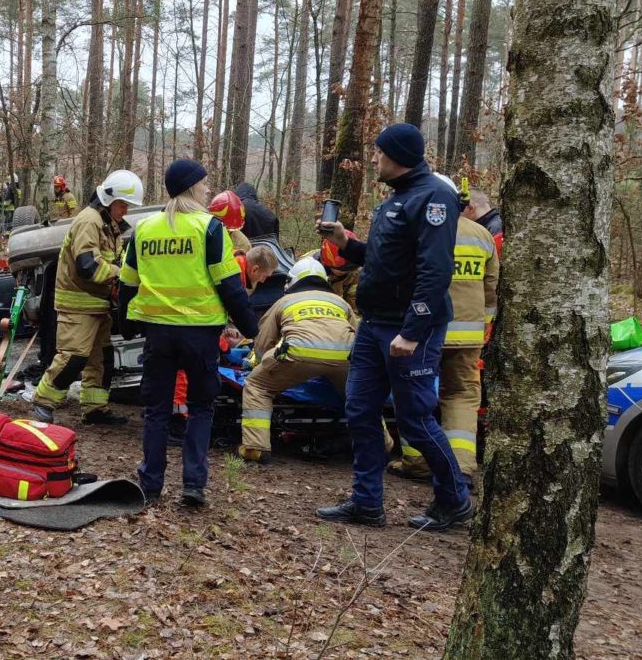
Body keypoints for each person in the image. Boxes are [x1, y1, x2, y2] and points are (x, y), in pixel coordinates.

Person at [313, 123, 474, 532]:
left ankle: (455, 500)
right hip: (373, 326)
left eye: (379, 153)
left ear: (397, 155)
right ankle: (367, 502)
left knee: (416, 420)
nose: (374, 159)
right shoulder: (394, 200)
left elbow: (435, 271)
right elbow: (383, 261)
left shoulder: (434, 197)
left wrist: (414, 329)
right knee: (360, 412)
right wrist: (345, 241)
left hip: (408, 330)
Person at [118, 159, 260, 508]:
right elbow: (230, 286)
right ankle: (193, 485)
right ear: (192, 188)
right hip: (199, 334)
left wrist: (125, 327)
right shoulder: (209, 228)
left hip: (158, 335)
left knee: (156, 410)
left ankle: (150, 484)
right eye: (205, 184)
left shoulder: (144, 229)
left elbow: (126, 286)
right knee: (200, 407)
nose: (209, 189)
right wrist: (253, 330)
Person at [391, 176, 499, 484]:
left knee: (413, 393)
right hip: (468, 335)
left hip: (423, 330)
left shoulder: (417, 231)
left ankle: (417, 461)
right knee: (462, 395)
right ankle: (462, 466)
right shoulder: (482, 236)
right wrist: (484, 326)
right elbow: (491, 290)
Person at [32, 171, 141, 425]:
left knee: (102, 359)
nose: (125, 211)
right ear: (109, 200)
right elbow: (88, 265)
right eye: (123, 205)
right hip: (78, 304)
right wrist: (122, 277)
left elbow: (112, 261)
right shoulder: (89, 222)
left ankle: (94, 409)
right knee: (73, 357)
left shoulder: (107, 224)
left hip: (96, 305)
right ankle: (43, 402)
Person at [236, 258, 356, 463]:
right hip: (344, 357)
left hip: (297, 353)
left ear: (292, 281)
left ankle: (256, 448)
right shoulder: (340, 302)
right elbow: (357, 333)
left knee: (257, 385)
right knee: (360, 397)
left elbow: (263, 343)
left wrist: (262, 364)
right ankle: (383, 444)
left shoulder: (284, 302)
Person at [167, 244, 277, 445]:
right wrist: (237, 343)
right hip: (189, 324)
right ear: (254, 269)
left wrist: (224, 342)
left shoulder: (231, 264)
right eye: (264, 276)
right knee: (183, 375)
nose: (263, 281)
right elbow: (216, 312)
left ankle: (175, 422)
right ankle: (176, 427)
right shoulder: (232, 276)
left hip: (184, 320)